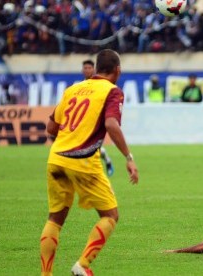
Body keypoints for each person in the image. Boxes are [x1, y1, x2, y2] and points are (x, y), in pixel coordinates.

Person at [40, 49, 139, 276]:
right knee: (110, 215)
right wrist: (128, 157)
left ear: (94, 69)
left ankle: (46, 274)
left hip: (55, 158)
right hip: (83, 160)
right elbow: (112, 125)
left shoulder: (73, 89)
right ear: (117, 70)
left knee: (55, 219)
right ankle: (82, 266)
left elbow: (51, 128)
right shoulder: (112, 91)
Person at [82, 59, 115, 176]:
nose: (87, 70)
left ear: (94, 69)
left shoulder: (100, 84)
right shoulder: (80, 86)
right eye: (85, 68)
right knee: (89, 147)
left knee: (93, 147)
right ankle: (107, 162)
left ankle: (97, 171)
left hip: (96, 119)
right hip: (84, 120)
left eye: (89, 68)